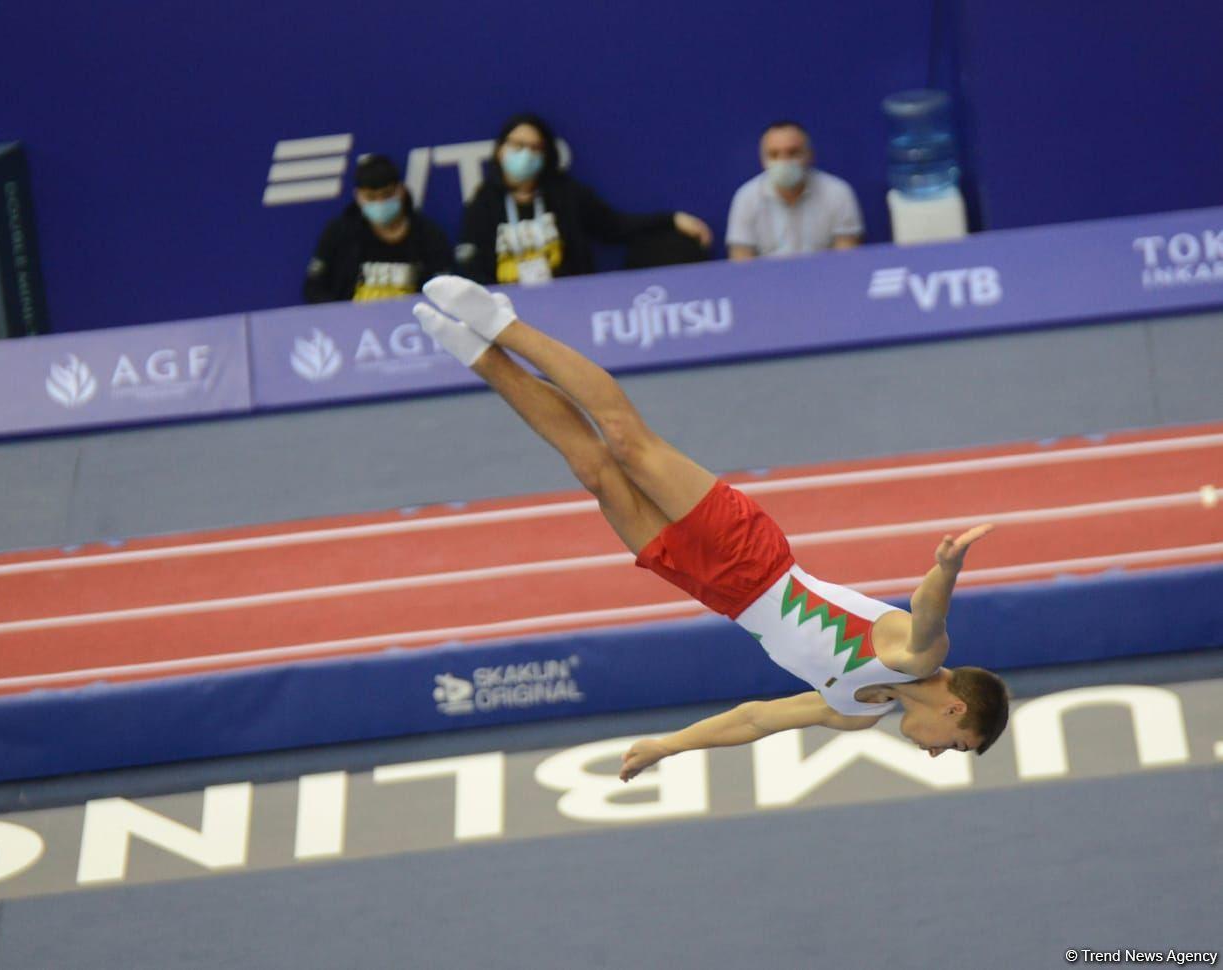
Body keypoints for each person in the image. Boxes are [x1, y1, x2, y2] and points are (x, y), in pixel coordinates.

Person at [410, 276, 1010, 782]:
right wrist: (948, 565)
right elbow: (928, 605)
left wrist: (668, 745)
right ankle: (505, 325)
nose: (934, 751)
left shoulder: (853, 711)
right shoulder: (919, 655)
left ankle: (480, 356)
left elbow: (754, 719)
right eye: (953, 744)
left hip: (718, 592)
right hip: (755, 558)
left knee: (595, 472)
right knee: (626, 441)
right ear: (956, 709)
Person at [457, 113, 713, 285]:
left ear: (546, 156)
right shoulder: (481, 204)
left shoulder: (567, 195)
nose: (525, 155)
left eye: (535, 148)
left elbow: (615, 226)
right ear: (500, 150)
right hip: (507, 314)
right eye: (517, 145)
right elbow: (471, 269)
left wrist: (671, 219)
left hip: (569, 303)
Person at [304, 154, 452, 303]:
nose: (380, 203)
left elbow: (444, 288)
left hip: (411, 322)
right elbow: (314, 287)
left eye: (387, 195)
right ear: (358, 196)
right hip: (351, 322)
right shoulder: (340, 232)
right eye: (371, 197)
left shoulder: (428, 234)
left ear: (400, 190)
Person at [727, 121, 864, 261]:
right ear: (763, 160)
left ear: (809, 155)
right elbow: (741, 264)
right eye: (774, 155)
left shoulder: (838, 193)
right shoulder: (746, 198)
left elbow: (847, 259)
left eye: (793, 153)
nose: (783, 161)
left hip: (826, 277)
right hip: (767, 280)